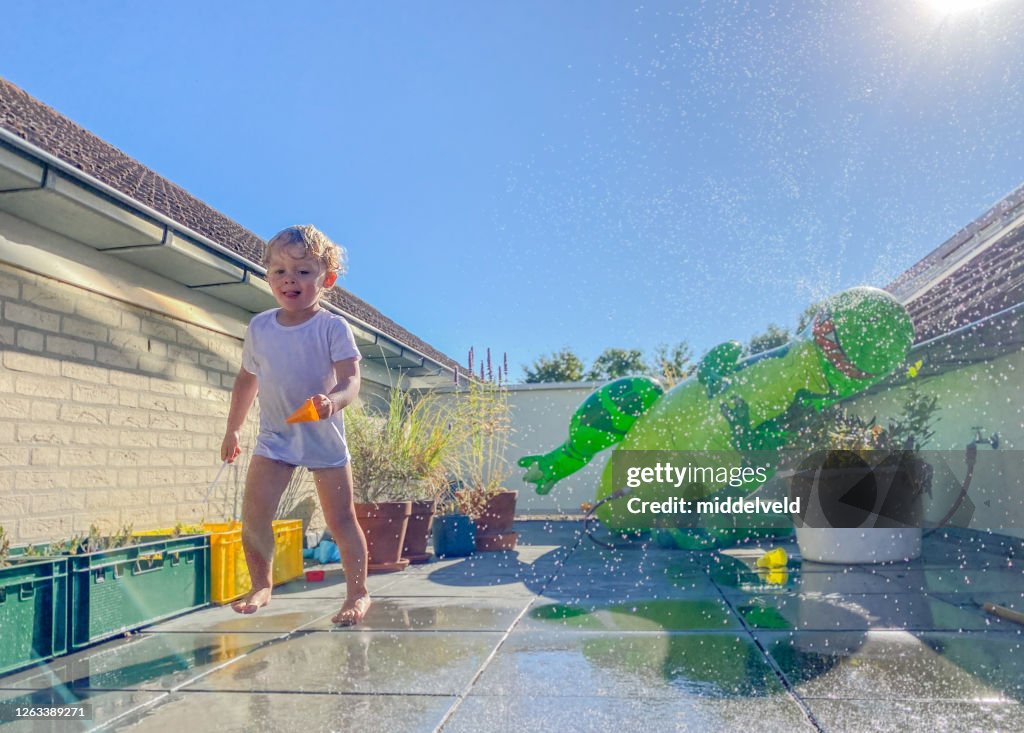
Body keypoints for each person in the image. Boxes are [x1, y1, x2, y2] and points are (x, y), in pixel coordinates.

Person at [220, 224, 370, 626]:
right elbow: (247, 379)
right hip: (276, 439)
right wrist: (233, 428)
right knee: (253, 515)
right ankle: (261, 584)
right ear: (267, 275)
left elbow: (352, 380)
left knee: (341, 521)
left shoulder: (332, 327)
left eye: (304, 272)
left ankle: (358, 594)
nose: (290, 280)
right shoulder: (260, 327)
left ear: (327, 279)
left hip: (323, 437)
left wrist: (333, 401)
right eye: (280, 271)